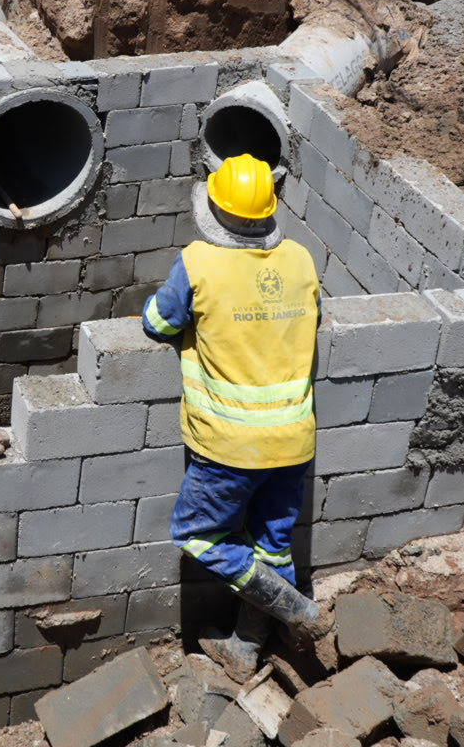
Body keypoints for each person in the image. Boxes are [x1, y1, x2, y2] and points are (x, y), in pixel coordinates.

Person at [141, 153, 330, 680]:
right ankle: (246, 648)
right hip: (293, 440)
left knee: (198, 536)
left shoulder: (199, 262)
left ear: (214, 214)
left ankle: (296, 610)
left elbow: (157, 322)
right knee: (272, 545)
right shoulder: (300, 259)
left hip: (229, 445)